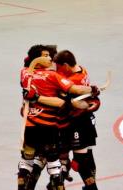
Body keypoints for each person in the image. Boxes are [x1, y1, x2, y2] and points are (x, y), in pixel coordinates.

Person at [18, 45, 99, 190]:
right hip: (61, 125)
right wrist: (92, 94)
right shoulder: (74, 70)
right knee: (51, 161)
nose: (53, 65)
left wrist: (35, 99)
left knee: (70, 162)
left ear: (65, 65)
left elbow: (74, 98)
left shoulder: (68, 77)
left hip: (73, 124)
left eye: (55, 63)